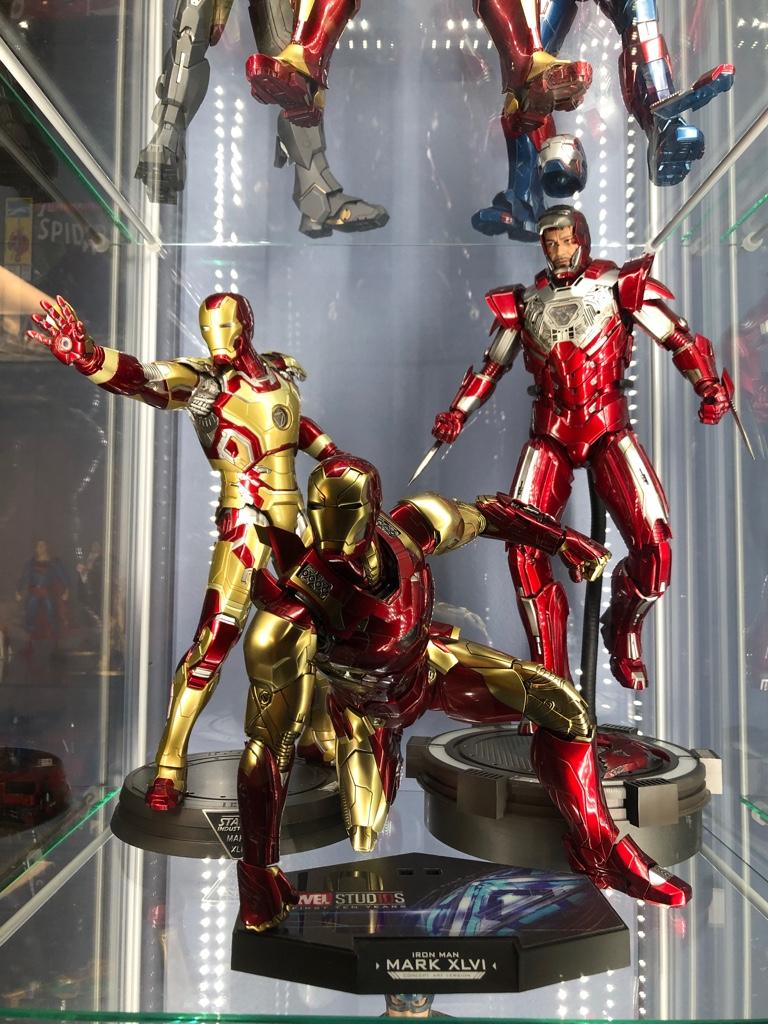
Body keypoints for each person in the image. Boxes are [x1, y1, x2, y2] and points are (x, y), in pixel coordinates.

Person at [235, 455, 690, 932]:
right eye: (322, 512)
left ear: (372, 508)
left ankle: (598, 849)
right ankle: (330, 750)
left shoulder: (412, 527)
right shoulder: (291, 616)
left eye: (347, 512)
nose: (335, 535)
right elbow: (266, 749)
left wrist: (562, 541)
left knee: (562, 706)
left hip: (430, 669)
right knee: (366, 835)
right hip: (364, 711)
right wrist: (258, 870)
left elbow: (488, 515)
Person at [28, 292, 339, 810]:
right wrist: (90, 357)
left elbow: (289, 426)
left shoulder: (277, 370)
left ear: (245, 325)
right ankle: (170, 760)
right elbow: (146, 380)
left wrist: (333, 456)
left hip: (296, 523)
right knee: (214, 641)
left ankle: (315, 731)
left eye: (225, 327)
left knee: (323, 629)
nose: (216, 340)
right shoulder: (206, 383)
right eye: (208, 329)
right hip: (246, 526)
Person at [428, 205, 730, 690]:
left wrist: (709, 386)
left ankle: (623, 628)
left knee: (655, 552)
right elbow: (490, 368)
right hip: (550, 431)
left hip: (608, 427)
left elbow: (679, 338)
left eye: (567, 240)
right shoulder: (524, 303)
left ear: (582, 239)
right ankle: (552, 681)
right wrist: (457, 414)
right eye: (550, 243)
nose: (559, 250)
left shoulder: (618, 287)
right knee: (522, 547)